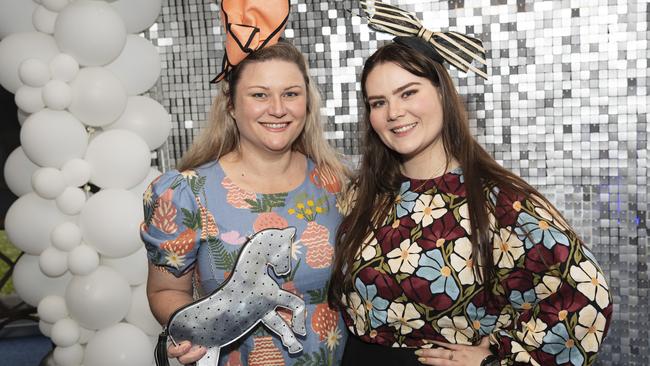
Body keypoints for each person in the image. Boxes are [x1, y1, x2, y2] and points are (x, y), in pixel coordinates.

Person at [328, 4, 613, 365]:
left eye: (408, 92)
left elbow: (586, 298)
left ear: (443, 93)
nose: (394, 112)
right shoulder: (363, 195)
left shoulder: (501, 200)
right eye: (378, 102)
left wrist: (494, 360)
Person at [140, 2, 349, 365]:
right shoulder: (186, 193)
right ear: (232, 105)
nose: (278, 108)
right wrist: (190, 332)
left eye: (291, 93)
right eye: (259, 94)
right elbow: (165, 289)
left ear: (307, 103)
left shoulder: (337, 184)